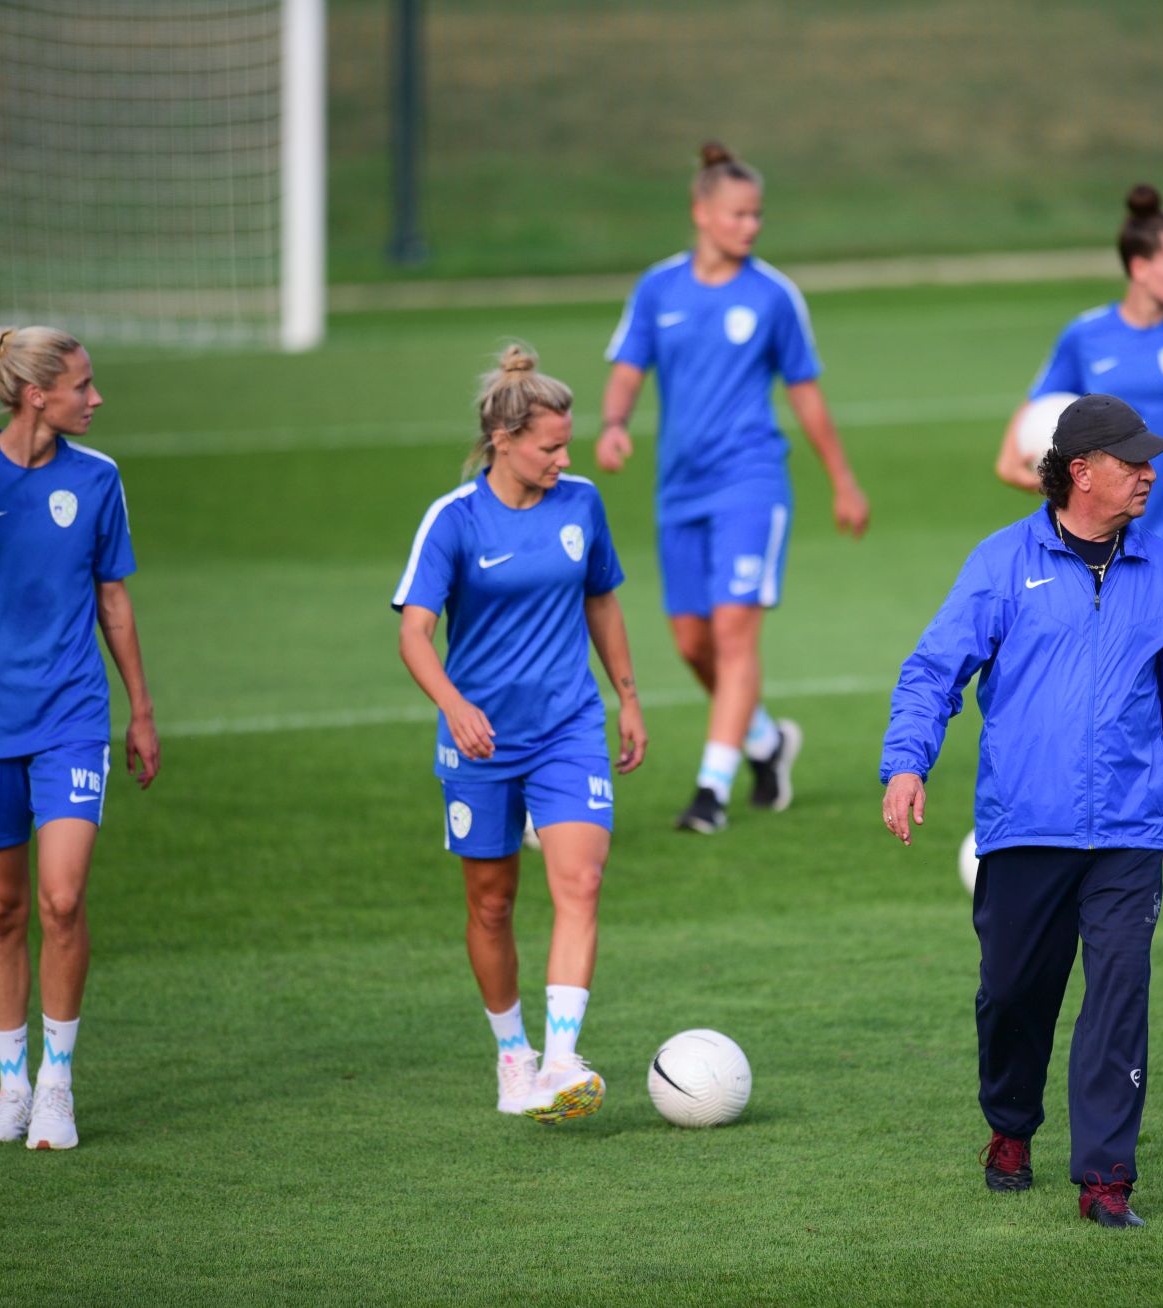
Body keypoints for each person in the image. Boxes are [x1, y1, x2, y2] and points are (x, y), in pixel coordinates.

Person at [880, 394, 1163, 1230]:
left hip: (1129, 833)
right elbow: (933, 671)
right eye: (1131, 461)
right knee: (1013, 994)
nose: (1149, 474)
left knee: (1119, 997)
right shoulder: (1002, 563)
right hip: (1025, 824)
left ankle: (1106, 1179)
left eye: (1150, 461)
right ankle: (1010, 1125)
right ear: (1081, 472)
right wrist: (907, 763)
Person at [0, 325, 160, 1150]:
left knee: (62, 899)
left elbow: (113, 598)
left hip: (70, 720)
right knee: (0, 910)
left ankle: (56, 1086)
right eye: (83, 385)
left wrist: (141, 710)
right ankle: (10, 1088)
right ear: (37, 395)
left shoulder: (98, 478)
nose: (97, 398)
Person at [394, 342, 647, 1123]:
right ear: (502, 440)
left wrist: (628, 697)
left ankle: (563, 1058)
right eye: (550, 447)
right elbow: (414, 632)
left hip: (569, 726)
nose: (564, 460)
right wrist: (453, 705)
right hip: (480, 741)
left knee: (582, 881)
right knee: (492, 904)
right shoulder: (454, 519)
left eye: (567, 444)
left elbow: (602, 598)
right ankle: (514, 1054)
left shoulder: (581, 504)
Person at [598, 139, 870, 835]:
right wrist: (614, 424)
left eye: (758, 215)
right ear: (701, 212)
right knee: (693, 644)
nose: (751, 226)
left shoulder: (773, 295)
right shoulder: (658, 288)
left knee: (733, 632)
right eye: (739, 214)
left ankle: (710, 793)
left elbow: (806, 393)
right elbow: (628, 367)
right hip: (678, 490)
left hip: (751, 482)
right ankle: (765, 742)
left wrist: (842, 480)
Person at [996, 184, 1163, 854]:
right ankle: (1121, 803)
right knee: (1109, 673)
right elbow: (1030, 425)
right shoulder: (1086, 336)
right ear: (1140, 267)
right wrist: (1032, 470)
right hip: (1094, 541)